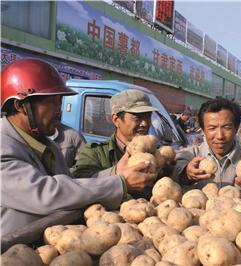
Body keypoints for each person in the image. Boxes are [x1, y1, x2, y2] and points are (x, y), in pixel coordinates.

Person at [0, 59, 153, 235]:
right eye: (52, 103)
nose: (59, 111)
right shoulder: (4, 146)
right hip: (13, 254)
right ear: (21, 106)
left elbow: (71, 185)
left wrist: (116, 172)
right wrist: (121, 183)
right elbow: (48, 194)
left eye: (60, 102)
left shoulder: (47, 144)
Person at [172, 97, 241, 195]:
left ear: (236, 129)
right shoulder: (190, 155)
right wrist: (187, 174)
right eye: (212, 128)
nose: (220, 136)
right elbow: (174, 172)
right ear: (202, 131)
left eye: (227, 127)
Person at [72, 89, 159, 199]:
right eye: (137, 117)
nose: (145, 123)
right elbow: (79, 184)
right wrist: (117, 175)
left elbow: (175, 166)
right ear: (116, 119)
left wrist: (185, 171)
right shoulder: (95, 153)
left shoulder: (155, 151)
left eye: (148, 116)